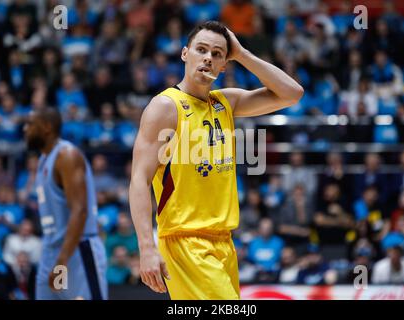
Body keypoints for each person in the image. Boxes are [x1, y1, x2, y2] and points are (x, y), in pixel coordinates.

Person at [129, 20, 303, 300]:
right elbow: (139, 180)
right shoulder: (165, 107)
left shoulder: (226, 103)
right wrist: (146, 247)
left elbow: (292, 93)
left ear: (224, 65)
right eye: (201, 49)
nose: (208, 58)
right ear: (185, 54)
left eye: (218, 54)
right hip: (186, 241)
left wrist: (242, 53)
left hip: (223, 243)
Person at [23, 108, 107, 300]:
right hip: (52, 249)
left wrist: (62, 260)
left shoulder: (67, 156)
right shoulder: (44, 160)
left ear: (46, 127)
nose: (25, 129)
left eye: (30, 124)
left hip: (76, 252)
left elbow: (80, 211)